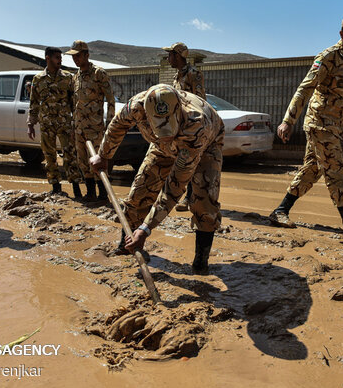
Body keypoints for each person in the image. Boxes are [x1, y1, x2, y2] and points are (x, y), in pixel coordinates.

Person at [90, 84, 224, 274]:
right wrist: (103, 156)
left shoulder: (196, 127)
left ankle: (200, 264)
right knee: (140, 191)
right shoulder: (136, 107)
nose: (166, 134)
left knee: (204, 203)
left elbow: (174, 187)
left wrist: (146, 229)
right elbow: (117, 125)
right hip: (160, 147)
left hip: (206, 145)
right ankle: (126, 247)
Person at [269, 11, 343, 239]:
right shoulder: (328, 57)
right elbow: (305, 88)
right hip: (320, 124)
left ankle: (280, 210)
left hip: (336, 125)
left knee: (313, 169)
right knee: (335, 169)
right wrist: (288, 120)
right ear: (342, 33)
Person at [65, 40, 115, 205]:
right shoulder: (76, 77)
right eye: (74, 56)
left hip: (95, 128)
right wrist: (73, 126)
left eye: (78, 56)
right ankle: (90, 194)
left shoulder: (99, 74)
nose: (75, 59)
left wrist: (109, 122)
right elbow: (75, 103)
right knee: (83, 162)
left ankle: (103, 195)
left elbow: (110, 99)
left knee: (98, 162)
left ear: (87, 55)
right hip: (79, 128)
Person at [27, 47, 81, 197]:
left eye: (60, 57)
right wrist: (30, 124)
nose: (60, 60)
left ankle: (76, 188)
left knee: (70, 155)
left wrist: (75, 124)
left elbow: (74, 102)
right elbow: (34, 103)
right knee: (49, 156)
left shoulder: (68, 78)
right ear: (48, 58)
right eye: (57, 57)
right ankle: (56, 188)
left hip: (65, 124)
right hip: (46, 124)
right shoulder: (38, 79)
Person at [162, 42, 207, 212]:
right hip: (179, 124)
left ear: (178, 56)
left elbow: (200, 99)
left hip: (192, 124)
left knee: (191, 160)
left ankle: (189, 198)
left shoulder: (193, 73)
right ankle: (185, 196)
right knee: (182, 161)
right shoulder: (177, 76)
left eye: (170, 55)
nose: (168, 58)